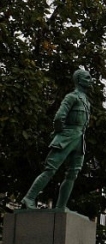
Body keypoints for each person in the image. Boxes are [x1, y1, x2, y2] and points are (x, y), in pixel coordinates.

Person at [21, 69, 92, 210]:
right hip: (67, 137)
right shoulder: (72, 97)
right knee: (50, 169)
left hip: (79, 139)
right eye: (87, 78)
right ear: (79, 80)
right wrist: (61, 133)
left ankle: (61, 206)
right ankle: (28, 198)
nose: (90, 80)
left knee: (72, 173)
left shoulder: (86, 101)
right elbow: (59, 117)